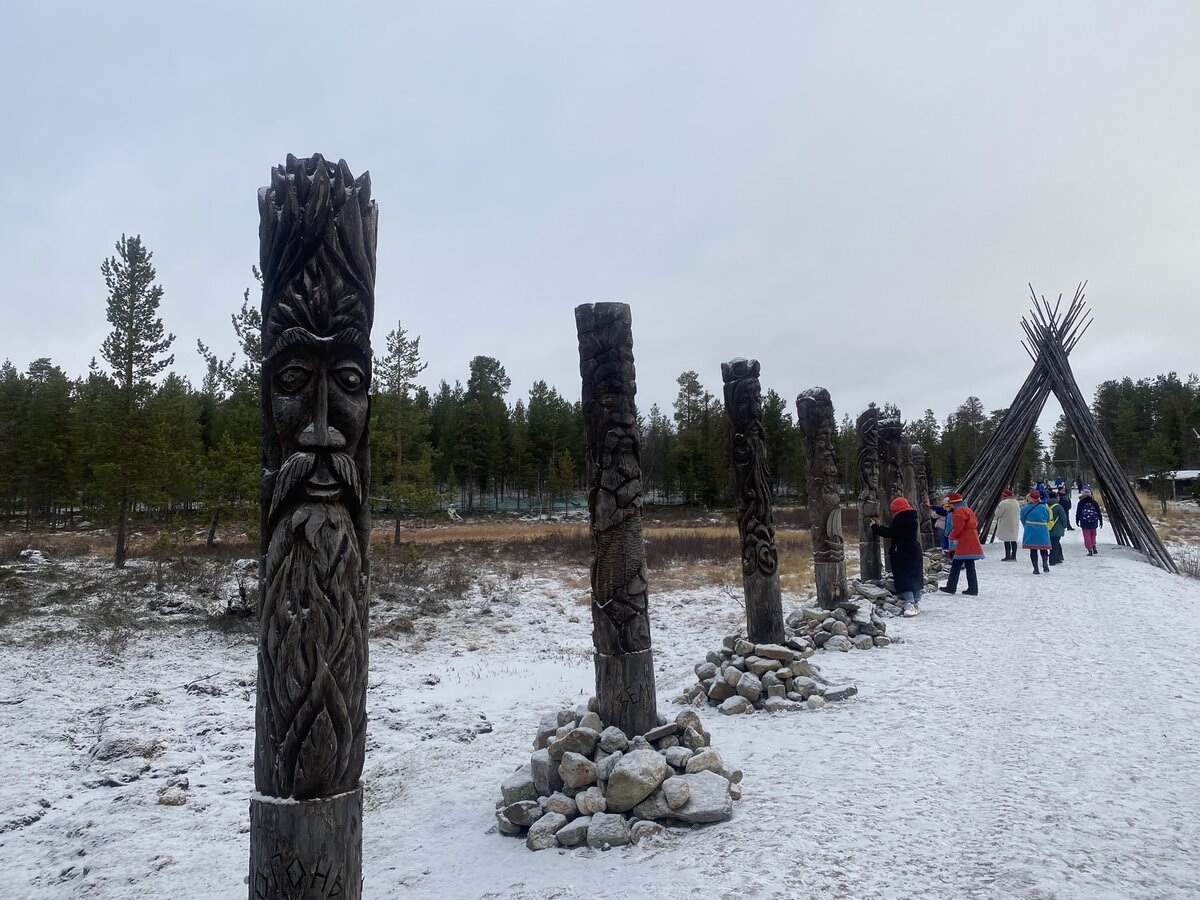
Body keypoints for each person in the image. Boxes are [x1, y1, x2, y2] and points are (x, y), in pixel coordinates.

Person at [871, 497, 924, 617]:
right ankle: (916, 601)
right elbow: (893, 531)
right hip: (914, 550)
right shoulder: (911, 518)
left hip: (903, 551)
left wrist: (875, 527)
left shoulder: (901, 519)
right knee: (915, 575)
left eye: (892, 511)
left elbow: (889, 533)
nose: (891, 513)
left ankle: (909, 603)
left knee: (904, 576)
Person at [940, 492, 983, 595]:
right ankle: (973, 588)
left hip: (964, 540)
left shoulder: (958, 512)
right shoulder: (968, 509)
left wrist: (951, 536)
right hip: (972, 537)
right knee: (970, 564)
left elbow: (958, 527)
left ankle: (951, 587)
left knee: (956, 564)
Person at [1020, 490, 1052, 574]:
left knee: (1033, 549)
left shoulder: (1025, 508)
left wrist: (1026, 525)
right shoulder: (1045, 508)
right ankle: (1045, 563)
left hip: (1031, 529)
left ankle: (1036, 568)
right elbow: (1048, 519)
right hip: (1043, 528)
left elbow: (1022, 519)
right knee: (1043, 548)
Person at [995, 488, 1021, 560]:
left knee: (1006, 540)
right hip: (1014, 523)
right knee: (1013, 539)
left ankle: (1007, 556)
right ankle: (1014, 556)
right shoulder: (1016, 502)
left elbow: (997, 513)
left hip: (1005, 523)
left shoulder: (1003, 503)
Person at [1076, 488, 1103, 555]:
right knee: (1093, 535)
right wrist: (1100, 521)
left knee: (1087, 536)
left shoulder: (1081, 503)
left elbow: (1078, 513)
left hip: (1084, 522)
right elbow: (1098, 512)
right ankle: (1094, 546)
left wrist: (1077, 520)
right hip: (1094, 521)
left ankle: (1090, 550)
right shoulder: (1094, 502)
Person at [1047, 493, 1066, 565]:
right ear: (1056, 498)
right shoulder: (1058, 507)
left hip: (1047, 528)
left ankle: (1059, 557)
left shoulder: (1045, 505)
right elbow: (1063, 518)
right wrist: (1065, 526)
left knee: (1054, 543)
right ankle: (1052, 560)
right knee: (1055, 544)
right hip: (1057, 528)